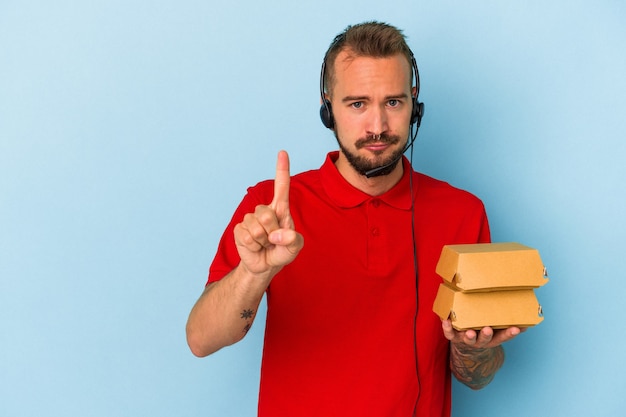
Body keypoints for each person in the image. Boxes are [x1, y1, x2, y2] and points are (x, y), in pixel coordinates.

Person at [186, 21, 522, 417]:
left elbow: (478, 376)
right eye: (357, 104)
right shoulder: (271, 210)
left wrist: (472, 348)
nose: (377, 126)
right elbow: (201, 340)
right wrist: (254, 273)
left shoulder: (463, 214)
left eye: (393, 102)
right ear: (328, 107)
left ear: (415, 105)